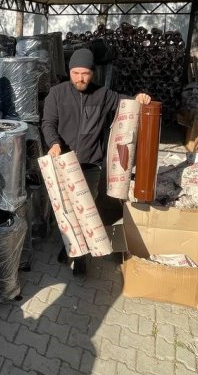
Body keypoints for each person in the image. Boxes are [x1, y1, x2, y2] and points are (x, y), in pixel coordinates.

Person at [41, 47, 151, 274]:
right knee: (64, 209)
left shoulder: (103, 94)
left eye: (85, 74)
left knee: (86, 208)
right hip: (63, 161)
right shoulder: (57, 93)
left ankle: (82, 256)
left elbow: (126, 103)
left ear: (93, 73)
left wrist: (139, 97)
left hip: (91, 162)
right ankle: (70, 246)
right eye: (76, 73)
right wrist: (53, 143)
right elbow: (48, 123)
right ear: (69, 72)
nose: (80, 78)